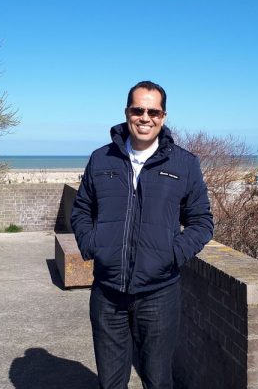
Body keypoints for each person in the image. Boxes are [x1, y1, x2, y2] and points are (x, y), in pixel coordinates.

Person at [71, 80, 214, 389]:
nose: (145, 118)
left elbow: (201, 222)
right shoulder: (101, 159)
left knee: (158, 380)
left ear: (163, 117)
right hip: (108, 292)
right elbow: (81, 210)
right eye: (138, 110)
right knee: (110, 383)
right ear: (127, 113)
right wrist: (93, 245)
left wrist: (171, 254)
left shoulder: (184, 163)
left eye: (153, 112)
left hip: (159, 294)